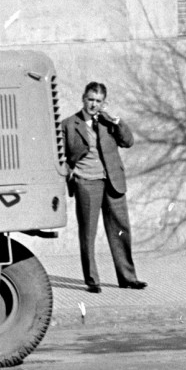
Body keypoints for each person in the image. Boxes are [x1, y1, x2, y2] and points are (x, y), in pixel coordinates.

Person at [61, 82, 147, 294]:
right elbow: (60, 156)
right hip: (86, 182)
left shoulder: (108, 123)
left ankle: (128, 278)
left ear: (104, 103)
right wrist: (70, 175)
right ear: (83, 99)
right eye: (90, 99)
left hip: (113, 181)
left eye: (98, 101)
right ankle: (92, 280)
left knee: (121, 230)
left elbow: (128, 142)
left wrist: (116, 121)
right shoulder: (69, 124)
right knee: (88, 232)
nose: (93, 104)